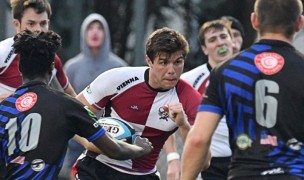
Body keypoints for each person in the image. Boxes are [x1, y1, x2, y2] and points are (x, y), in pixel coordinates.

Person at [0, 30, 153, 179]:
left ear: (19, 67)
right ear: (52, 67)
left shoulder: (3, 108)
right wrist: (140, 149)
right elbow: (115, 150)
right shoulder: (67, 106)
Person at [181, 0, 304, 179]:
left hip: (244, 174)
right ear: (299, 23)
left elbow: (198, 139)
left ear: (255, 21)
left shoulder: (227, 71)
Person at [72, 27, 203, 180]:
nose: (171, 70)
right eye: (163, 62)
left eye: (178, 62)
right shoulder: (117, 79)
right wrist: (94, 144)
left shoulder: (191, 99)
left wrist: (183, 125)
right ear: (149, 61)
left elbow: (204, 161)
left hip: (143, 175)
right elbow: (71, 115)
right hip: (98, 168)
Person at [61, 13, 128, 178]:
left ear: (106, 33)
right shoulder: (72, 67)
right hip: (78, 139)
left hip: (112, 138)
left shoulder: (119, 67)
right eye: (90, 28)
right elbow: (67, 103)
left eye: (99, 28)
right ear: (83, 32)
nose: (95, 32)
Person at [180, 19, 234, 180]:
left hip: (242, 159)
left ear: (232, 41)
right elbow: (168, 115)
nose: (220, 43)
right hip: (208, 162)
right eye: (212, 39)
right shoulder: (188, 80)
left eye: (224, 37)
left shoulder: (249, 74)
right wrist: (172, 158)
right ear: (204, 49)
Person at [0, 0, 76, 101]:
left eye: (43, 24)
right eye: (31, 24)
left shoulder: (53, 58)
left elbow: (73, 98)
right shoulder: (2, 52)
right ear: (16, 24)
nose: (38, 30)